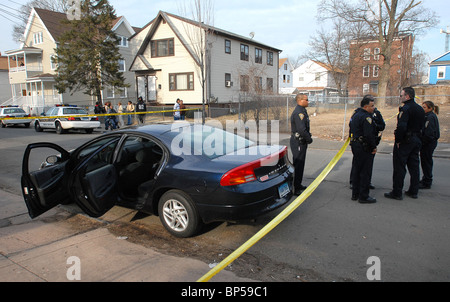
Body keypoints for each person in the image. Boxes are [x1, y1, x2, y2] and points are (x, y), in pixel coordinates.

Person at [385, 87, 425, 200]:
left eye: (401, 95)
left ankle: (397, 192)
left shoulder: (406, 109)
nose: (400, 97)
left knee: (399, 167)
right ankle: (414, 191)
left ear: (407, 96)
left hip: (406, 141)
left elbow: (402, 126)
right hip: (416, 139)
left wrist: (398, 140)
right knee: (414, 166)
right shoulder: (420, 109)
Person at [349, 96, 378, 204]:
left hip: (356, 145)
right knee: (365, 172)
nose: (374, 108)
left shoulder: (356, 115)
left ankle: (355, 194)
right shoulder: (367, 117)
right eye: (372, 106)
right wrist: (373, 147)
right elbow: (369, 135)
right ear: (365, 107)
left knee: (357, 170)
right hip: (364, 147)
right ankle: (364, 196)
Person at [290, 93, 313, 195]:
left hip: (301, 141)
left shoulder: (302, 111)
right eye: (306, 100)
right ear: (300, 101)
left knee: (300, 164)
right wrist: (309, 139)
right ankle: (295, 188)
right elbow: (302, 130)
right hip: (298, 142)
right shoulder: (299, 113)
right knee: (298, 165)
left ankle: (298, 184)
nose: (308, 101)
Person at [419, 101, 440, 189]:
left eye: (424, 107)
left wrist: (423, 141)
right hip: (427, 142)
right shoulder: (427, 116)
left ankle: (427, 181)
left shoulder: (430, 117)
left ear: (430, 108)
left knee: (426, 161)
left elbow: (429, 133)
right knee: (425, 161)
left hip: (428, 143)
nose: (422, 109)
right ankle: (425, 178)